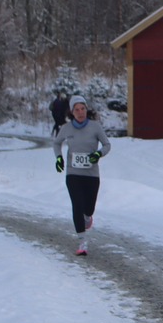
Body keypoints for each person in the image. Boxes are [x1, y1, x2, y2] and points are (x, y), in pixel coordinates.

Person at [53, 95, 113, 255]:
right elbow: (56, 143)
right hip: (73, 173)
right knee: (77, 205)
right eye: (77, 110)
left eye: (83, 109)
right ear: (72, 112)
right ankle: (82, 242)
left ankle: (88, 216)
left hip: (91, 174)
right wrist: (58, 158)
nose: (80, 112)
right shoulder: (66, 128)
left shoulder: (95, 127)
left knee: (88, 208)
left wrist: (98, 154)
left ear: (86, 109)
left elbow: (107, 145)